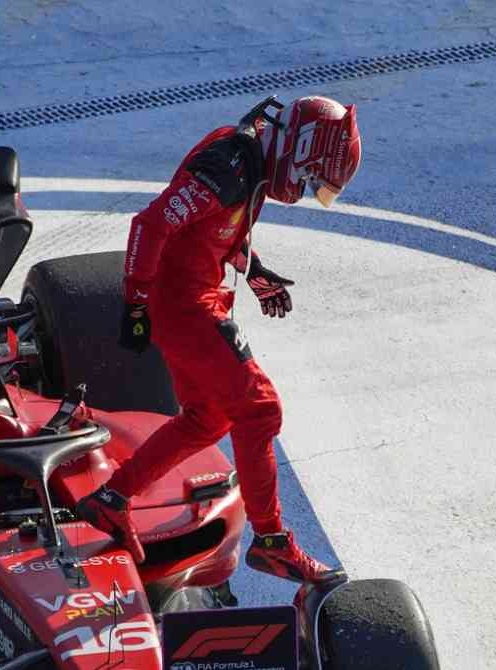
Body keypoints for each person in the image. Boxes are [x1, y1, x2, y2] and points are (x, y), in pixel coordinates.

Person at [76, 95, 361, 583]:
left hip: (191, 300)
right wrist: (136, 302)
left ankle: (111, 499)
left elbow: (216, 229)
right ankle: (271, 542)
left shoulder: (251, 164)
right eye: (313, 179)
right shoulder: (227, 168)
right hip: (186, 307)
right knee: (260, 408)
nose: (307, 190)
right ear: (301, 151)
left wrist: (252, 270)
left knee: (207, 419)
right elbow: (150, 223)